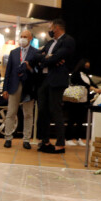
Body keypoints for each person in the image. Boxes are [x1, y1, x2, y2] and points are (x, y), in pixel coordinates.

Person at [31, 18, 75, 154]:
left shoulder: (67, 40)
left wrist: (48, 58)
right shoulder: (50, 42)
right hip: (45, 80)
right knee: (43, 110)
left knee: (56, 110)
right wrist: (47, 58)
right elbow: (35, 56)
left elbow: (58, 57)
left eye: (50, 27)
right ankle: (45, 140)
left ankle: (60, 143)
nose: (49, 30)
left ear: (56, 28)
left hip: (57, 80)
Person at [2, 29, 39, 149]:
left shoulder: (36, 53)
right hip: (14, 86)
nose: (22, 38)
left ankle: (26, 139)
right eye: (21, 36)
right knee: (11, 112)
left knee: (28, 114)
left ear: (30, 39)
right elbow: (8, 72)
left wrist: (30, 68)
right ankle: (8, 138)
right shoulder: (13, 52)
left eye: (25, 36)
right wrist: (5, 88)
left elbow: (38, 72)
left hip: (28, 87)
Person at [65, 59, 101, 146]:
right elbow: (81, 83)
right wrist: (93, 88)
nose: (87, 68)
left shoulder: (86, 76)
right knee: (71, 119)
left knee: (80, 120)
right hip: (75, 99)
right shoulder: (76, 74)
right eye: (86, 66)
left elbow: (92, 84)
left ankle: (78, 138)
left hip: (84, 100)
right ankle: (68, 138)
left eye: (88, 66)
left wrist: (98, 89)